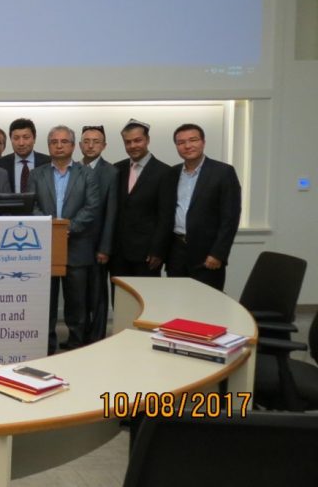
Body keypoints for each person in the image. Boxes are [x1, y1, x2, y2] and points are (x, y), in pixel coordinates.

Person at [29, 126, 100, 353]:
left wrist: (67, 228)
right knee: (46, 300)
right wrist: (51, 228)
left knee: (76, 301)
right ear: (48, 145)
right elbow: (31, 205)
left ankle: (76, 343)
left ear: (73, 145)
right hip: (46, 247)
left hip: (77, 246)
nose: (59, 146)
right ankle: (46, 345)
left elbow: (92, 207)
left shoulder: (87, 174)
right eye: (54, 142)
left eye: (64, 142)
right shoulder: (36, 174)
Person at [164, 124, 242, 291]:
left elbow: (230, 217)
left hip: (207, 253)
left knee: (206, 301)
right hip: (176, 251)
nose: (187, 146)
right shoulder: (172, 173)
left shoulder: (223, 172)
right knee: (175, 299)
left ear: (203, 142)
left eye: (193, 140)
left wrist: (218, 254)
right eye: (181, 142)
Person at [113, 119, 171, 278]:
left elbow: (166, 216)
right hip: (118, 253)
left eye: (137, 140)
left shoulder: (165, 172)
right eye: (128, 142)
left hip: (147, 255)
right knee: (119, 294)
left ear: (147, 140)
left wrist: (158, 250)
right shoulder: (117, 169)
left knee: (146, 294)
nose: (133, 146)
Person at [79, 125, 118, 343]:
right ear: (79, 145)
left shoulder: (111, 172)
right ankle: (81, 335)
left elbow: (111, 212)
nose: (91, 145)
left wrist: (105, 247)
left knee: (97, 294)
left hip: (98, 244)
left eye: (96, 141)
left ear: (104, 145)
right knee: (79, 294)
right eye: (86, 141)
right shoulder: (73, 168)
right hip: (76, 242)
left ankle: (98, 337)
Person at [0, 118, 50, 193]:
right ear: (11, 140)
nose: (21, 143)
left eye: (26, 138)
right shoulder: (0, 164)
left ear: (34, 139)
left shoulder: (48, 162)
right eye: (16, 138)